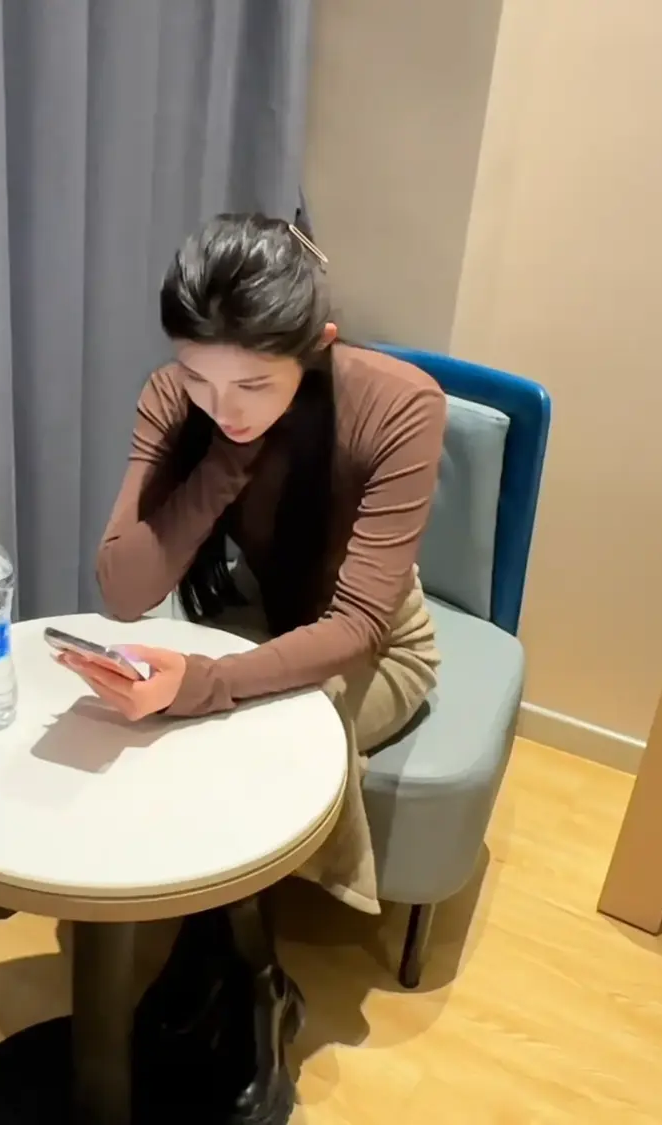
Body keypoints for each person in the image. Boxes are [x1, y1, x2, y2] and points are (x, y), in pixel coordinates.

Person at [55, 212, 448, 1124]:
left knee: (261, 738)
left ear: (318, 345)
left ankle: (251, 991)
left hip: (380, 642)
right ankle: (235, 971)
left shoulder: (399, 405)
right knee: (179, 729)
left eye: (252, 384)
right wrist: (227, 460)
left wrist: (202, 684)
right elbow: (124, 587)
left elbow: (359, 624)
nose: (220, 404)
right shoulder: (178, 401)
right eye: (198, 375)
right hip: (256, 616)